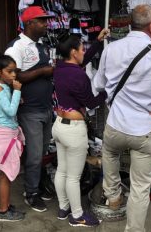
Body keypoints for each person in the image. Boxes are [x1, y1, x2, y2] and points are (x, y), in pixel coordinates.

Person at [93, 4, 151, 232]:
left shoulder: (110, 49)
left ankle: (113, 195)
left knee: (110, 155)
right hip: (145, 131)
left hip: (115, 126)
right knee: (140, 188)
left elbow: (98, 85)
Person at [52, 28, 109, 227]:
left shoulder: (59, 67)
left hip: (59, 126)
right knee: (73, 177)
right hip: (73, 130)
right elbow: (92, 103)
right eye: (82, 49)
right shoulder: (79, 77)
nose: (84, 52)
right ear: (74, 52)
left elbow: (81, 62)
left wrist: (97, 42)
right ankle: (77, 216)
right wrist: (108, 92)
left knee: (62, 170)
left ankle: (63, 207)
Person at [5, 6, 55, 212]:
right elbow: (12, 76)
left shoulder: (41, 45)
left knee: (42, 151)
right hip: (30, 111)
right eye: (42, 20)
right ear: (29, 23)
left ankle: (39, 185)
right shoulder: (16, 47)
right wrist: (43, 71)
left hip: (45, 107)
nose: (46, 24)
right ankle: (31, 193)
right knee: (34, 154)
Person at [0, 53, 25, 222]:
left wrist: (15, 98)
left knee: (6, 175)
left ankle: (5, 206)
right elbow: (10, 111)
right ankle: (3, 212)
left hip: (4, 136)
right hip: (5, 139)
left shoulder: (1, 88)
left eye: (15, 71)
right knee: (5, 175)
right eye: (9, 71)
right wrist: (17, 93)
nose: (14, 75)